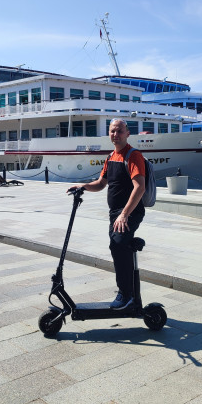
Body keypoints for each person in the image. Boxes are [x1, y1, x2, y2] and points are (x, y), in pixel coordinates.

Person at [68, 119, 146, 310]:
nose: (115, 134)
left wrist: (125, 214)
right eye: (112, 131)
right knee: (117, 247)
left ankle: (126, 294)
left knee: (118, 246)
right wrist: (83, 186)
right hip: (115, 213)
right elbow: (101, 184)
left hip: (129, 212)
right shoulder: (111, 156)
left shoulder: (133, 155)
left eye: (119, 131)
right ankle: (128, 292)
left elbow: (140, 187)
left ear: (127, 133)